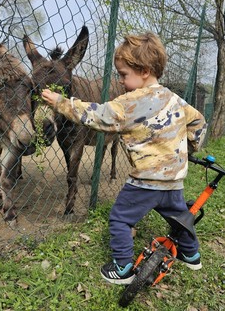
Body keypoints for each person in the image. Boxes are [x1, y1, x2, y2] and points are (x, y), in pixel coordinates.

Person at [41, 31, 207, 285]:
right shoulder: (175, 99)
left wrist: (61, 102)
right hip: (174, 178)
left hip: (145, 180)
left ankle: (122, 267)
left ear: (144, 70)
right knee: (179, 215)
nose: (120, 81)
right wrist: (189, 146)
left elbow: (96, 114)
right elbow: (198, 122)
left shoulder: (130, 103)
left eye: (123, 75)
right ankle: (191, 254)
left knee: (120, 218)